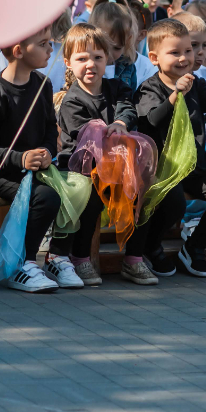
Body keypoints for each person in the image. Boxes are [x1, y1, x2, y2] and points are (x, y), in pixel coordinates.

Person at [137, 17, 206, 276]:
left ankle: (194, 247)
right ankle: (151, 248)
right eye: (175, 52)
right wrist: (175, 95)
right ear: (154, 58)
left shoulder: (195, 82)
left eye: (188, 50)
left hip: (195, 165)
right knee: (174, 205)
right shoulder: (149, 88)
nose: (185, 58)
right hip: (164, 167)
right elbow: (151, 121)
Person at [0, 25, 63, 292]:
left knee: (76, 189)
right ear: (19, 51)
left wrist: (47, 153)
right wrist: (20, 159)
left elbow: (48, 130)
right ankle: (23, 265)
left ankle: (62, 259)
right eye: (44, 44)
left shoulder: (43, 85)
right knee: (45, 197)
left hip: (32, 169)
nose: (50, 49)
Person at [46, 24, 141, 285]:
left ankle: (135, 257)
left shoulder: (116, 87)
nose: (91, 64)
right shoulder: (72, 100)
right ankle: (77, 257)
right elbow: (80, 135)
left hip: (114, 163)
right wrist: (106, 130)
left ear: (108, 59)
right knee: (88, 196)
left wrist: (120, 122)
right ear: (68, 62)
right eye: (82, 58)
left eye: (97, 57)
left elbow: (128, 109)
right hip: (78, 166)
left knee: (139, 190)